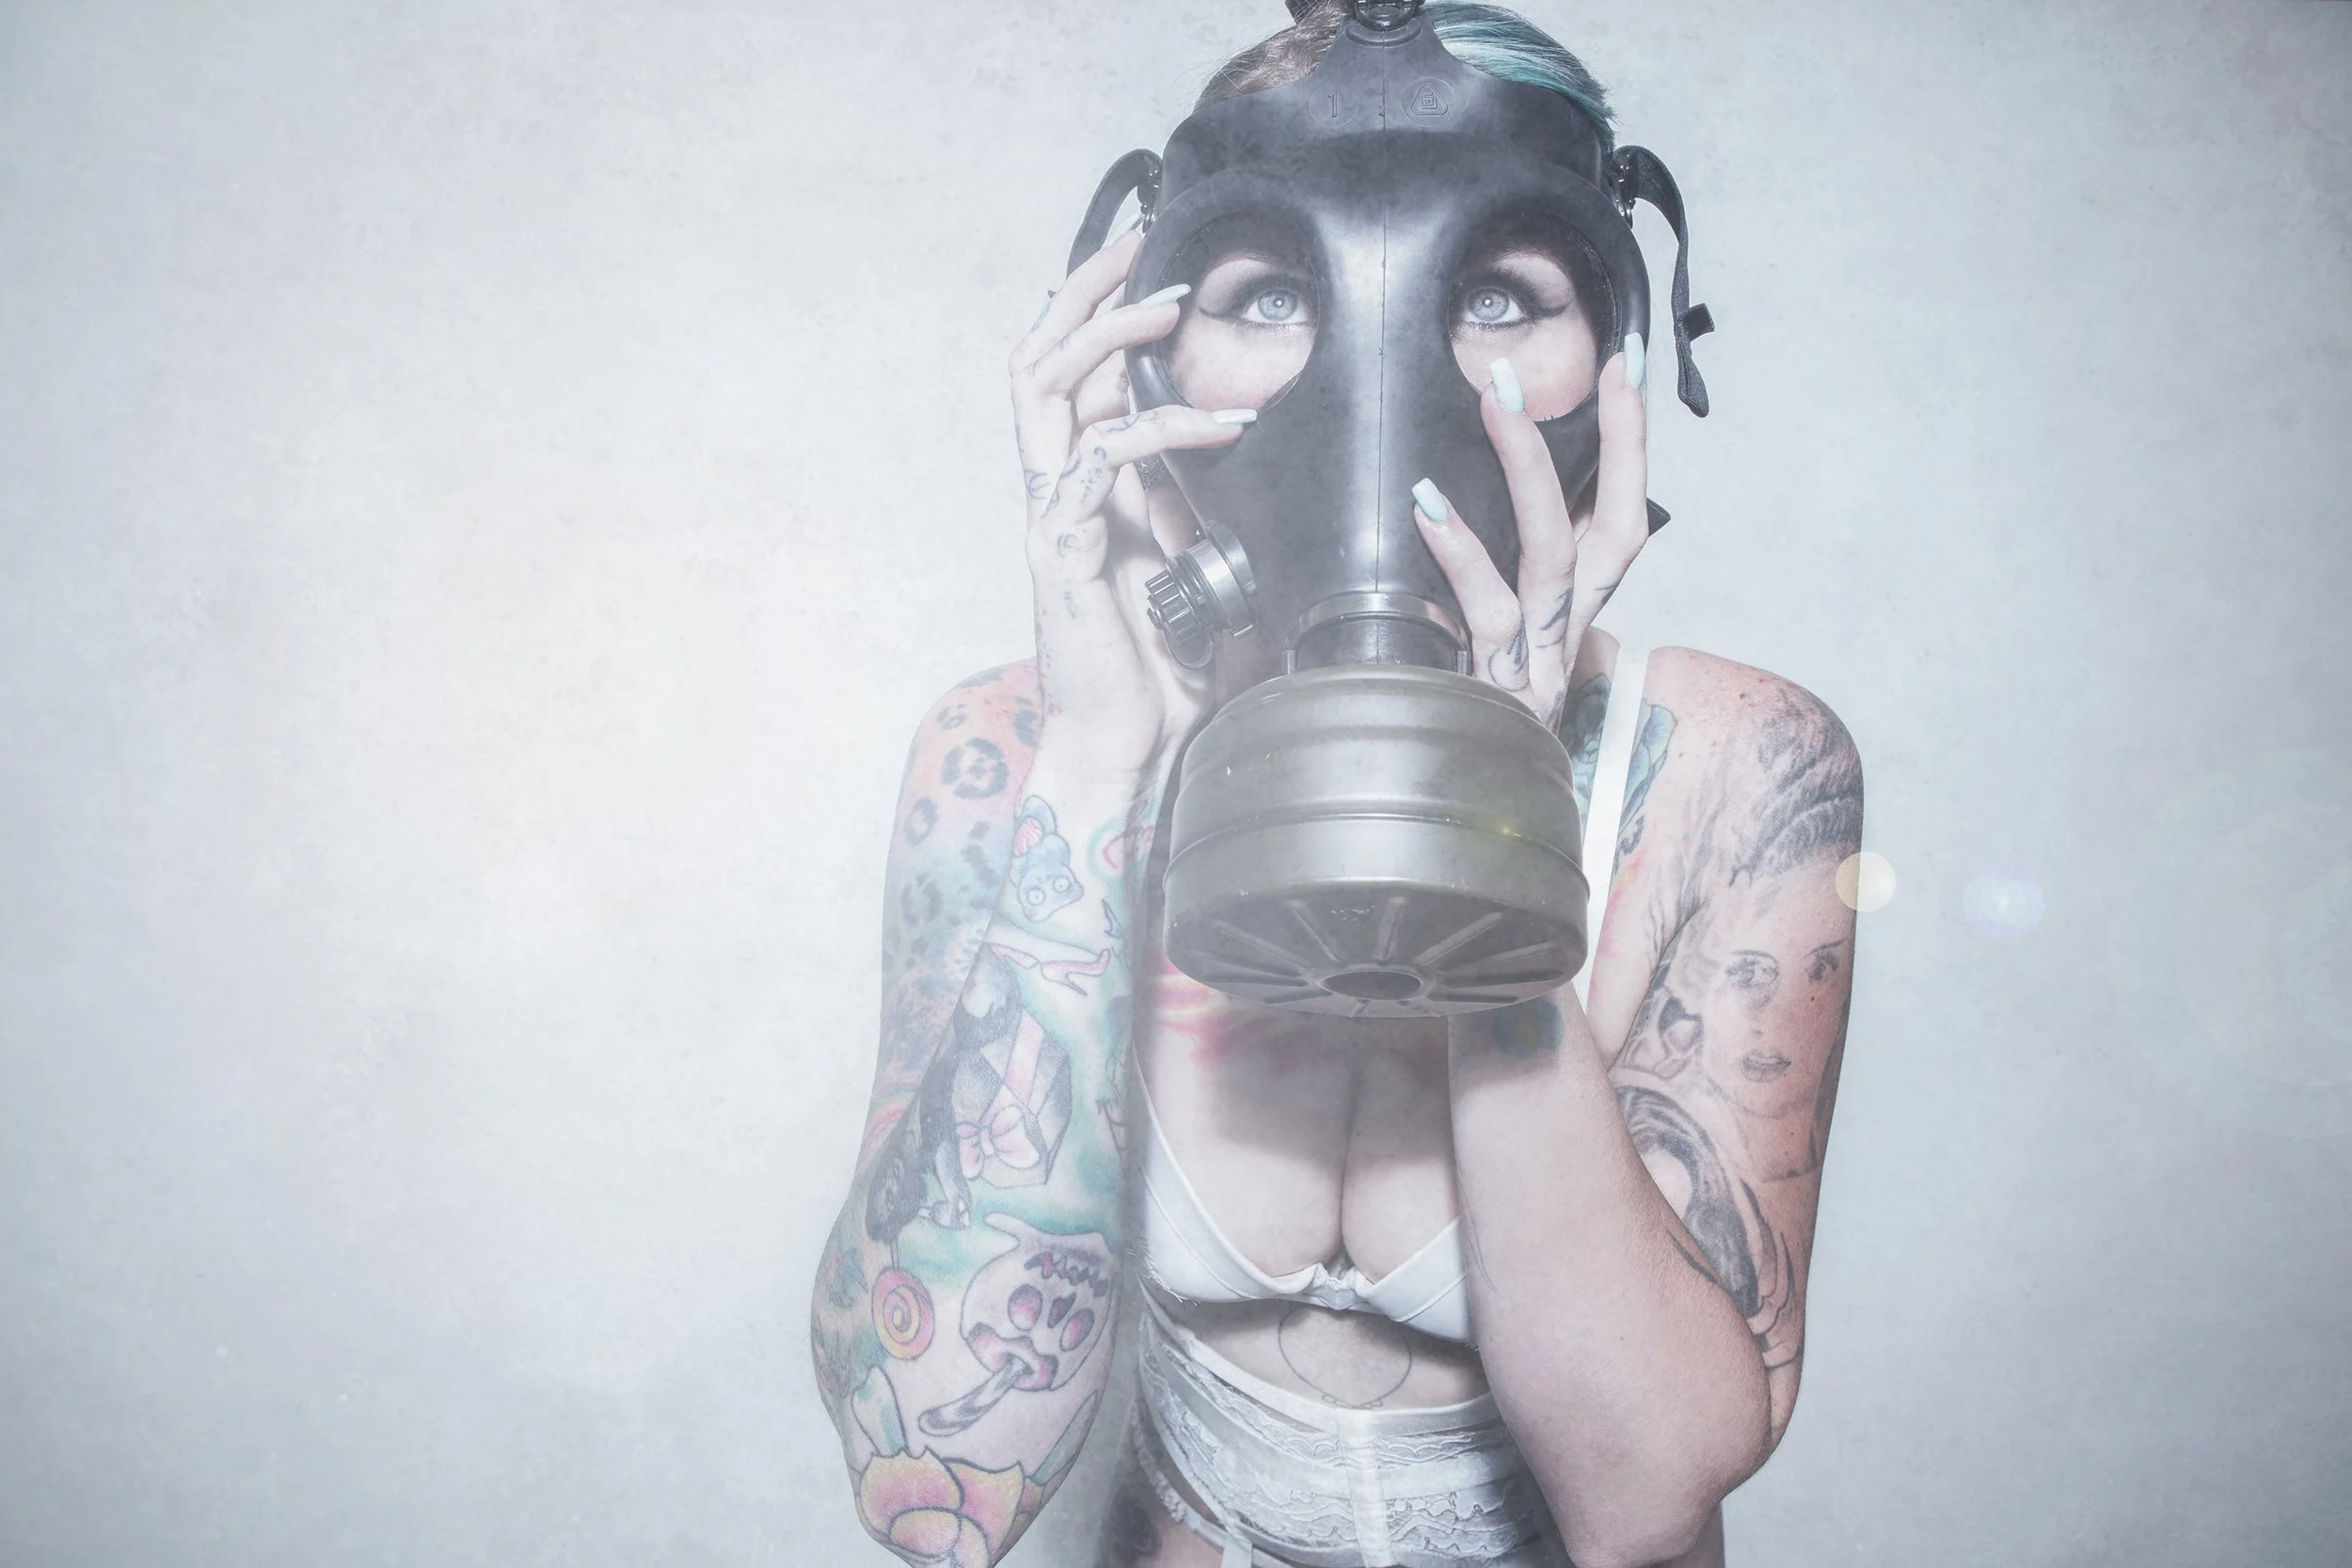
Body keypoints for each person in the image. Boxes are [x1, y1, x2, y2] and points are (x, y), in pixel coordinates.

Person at [810, 5, 1864, 1565]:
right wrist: (1101, 760)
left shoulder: (1734, 767)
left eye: (1497, 292)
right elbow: (942, 1482)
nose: (1384, 372)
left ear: (1618, 361)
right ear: (1144, 349)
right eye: (1272, 291)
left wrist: (1488, 797)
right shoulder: (1010, 758)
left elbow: (1642, 1497)